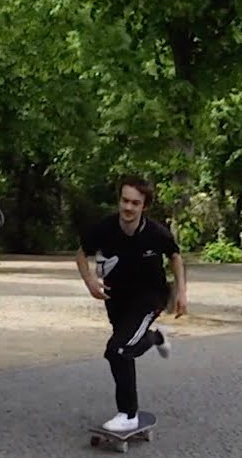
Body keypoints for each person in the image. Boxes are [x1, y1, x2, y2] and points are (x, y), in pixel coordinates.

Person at [76, 175, 187, 433]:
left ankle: (128, 413)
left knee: (117, 350)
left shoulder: (156, 233)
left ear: (144, 206)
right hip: (116, 299)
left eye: (135, 203)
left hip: (151, 297)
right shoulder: (104, 228)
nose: (128, 207)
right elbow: (82, 253)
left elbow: (175, 256)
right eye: (125, 201)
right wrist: (90, 281)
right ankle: (156, 338)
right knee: (123, 349)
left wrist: (181, 291)